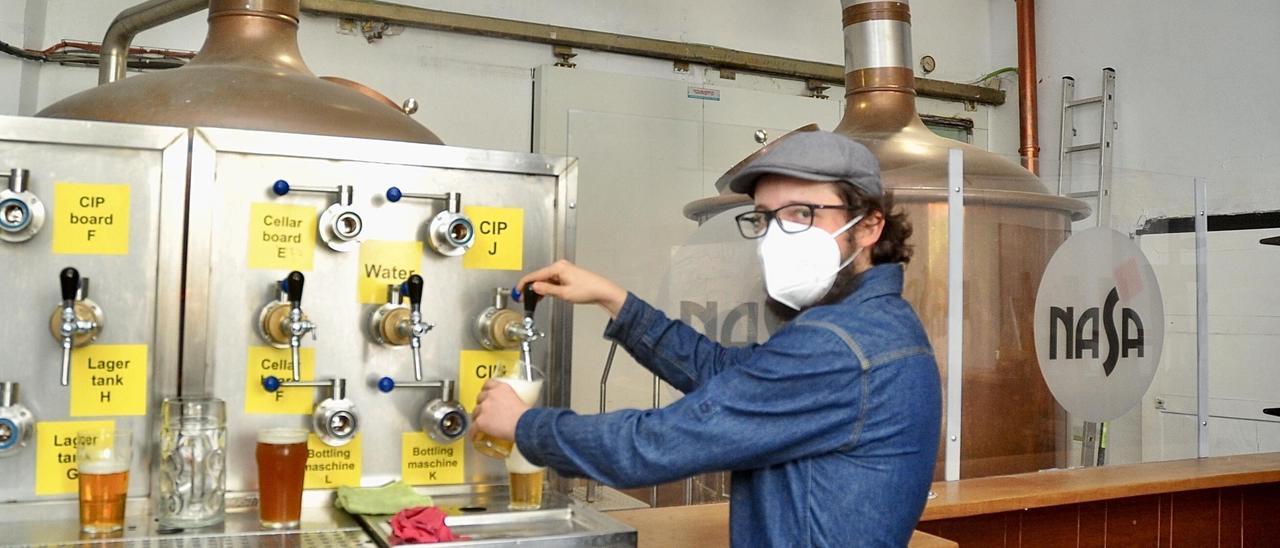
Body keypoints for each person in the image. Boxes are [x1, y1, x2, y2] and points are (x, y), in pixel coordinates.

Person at [473, 130, 942, 547]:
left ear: (868, 226)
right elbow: (728, 375)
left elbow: (659, 444)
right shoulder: (877, 325)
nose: (778, 237)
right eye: (765, 218)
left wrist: (524, 427)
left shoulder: (839, 345)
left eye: (802, 213)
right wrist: (614, 300)